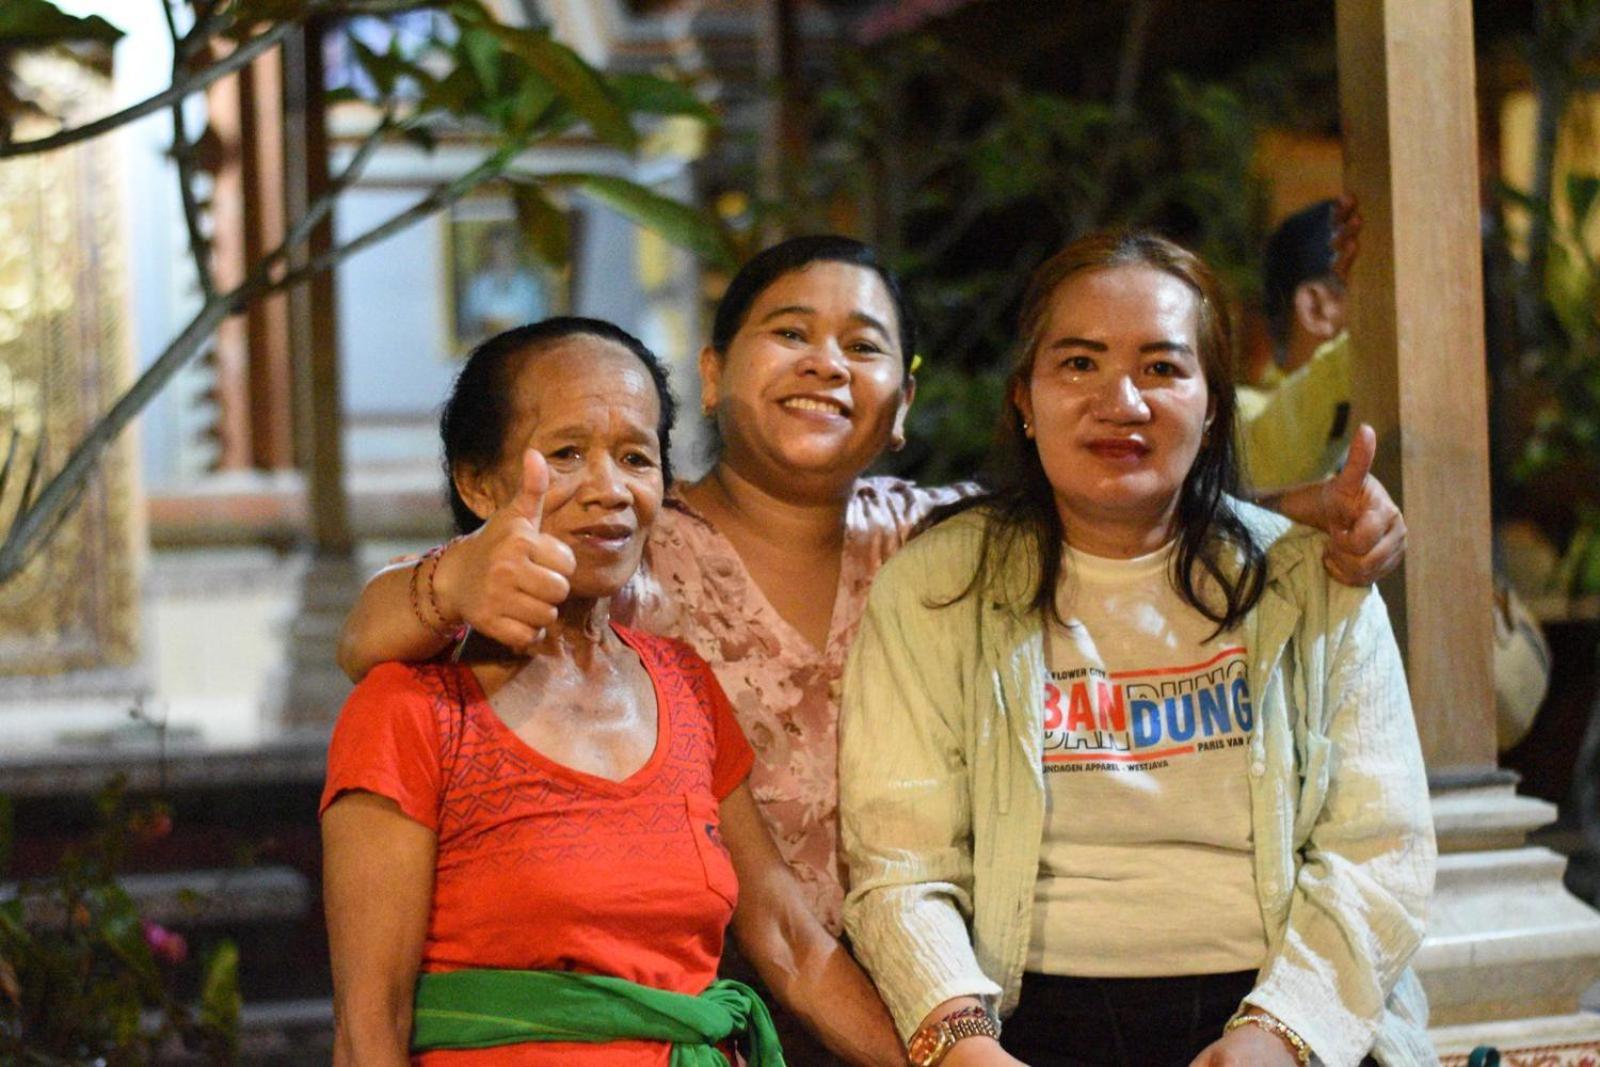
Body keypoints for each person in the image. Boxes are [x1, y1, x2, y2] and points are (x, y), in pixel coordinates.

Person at [335, 237, 1408, 1060]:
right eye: (788, 332)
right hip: (755, 1000)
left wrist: (1298, 522)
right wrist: (451, 576)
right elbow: (385, 631)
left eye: (863, 344)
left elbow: (1120, 502)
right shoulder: (625, 543)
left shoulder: (928, 539)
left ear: (902, 401)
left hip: (900, 1001)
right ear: (711, 373)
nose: (824, 363)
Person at [838, 232, 1437, 1067]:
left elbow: (1382, 847)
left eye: (1162, 368)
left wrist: (1283, 1032)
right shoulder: (937, 587)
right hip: (1024, 1019)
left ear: (1214, 403)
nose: (1121, 401)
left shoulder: (1312, 578)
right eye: (1079, 363)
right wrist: (963, 1043)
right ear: (1025, 397)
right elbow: (902, 866)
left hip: (1279, 1004)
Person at [320, 317, 904, 1066]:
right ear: (477, 482)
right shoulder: (410, 709)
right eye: (566, 453)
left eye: (636, 456)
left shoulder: (683, 686)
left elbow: (790, 940)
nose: (611, 489)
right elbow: (370, 1028)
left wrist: (937, 1059)